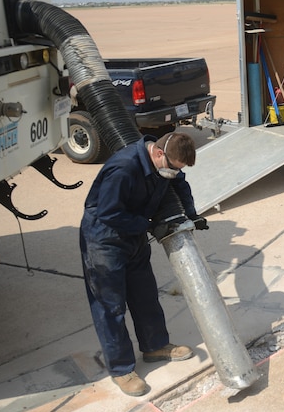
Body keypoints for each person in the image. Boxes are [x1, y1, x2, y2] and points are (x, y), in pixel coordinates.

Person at [79, 132, 207, 397]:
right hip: (105, 239)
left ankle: (155, 346)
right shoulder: (123, 168)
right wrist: (148, 225)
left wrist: (192, 215)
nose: (174, 173)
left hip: (134, 236)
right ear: (158, 154)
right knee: (110, 306)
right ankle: (121, 369)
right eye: (173, 168)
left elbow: (180, 185)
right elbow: (109, 212)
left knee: (145, 295)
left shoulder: (166, 165)